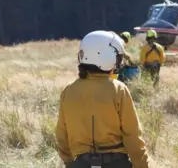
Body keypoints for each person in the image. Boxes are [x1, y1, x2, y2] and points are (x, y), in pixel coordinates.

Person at [55, 30, 150, 168]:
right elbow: (132, 136)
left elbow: (61, 135)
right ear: (108, 58)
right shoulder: (119, 90)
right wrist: (142, 165)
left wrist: (70, 163)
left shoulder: (68, 91)